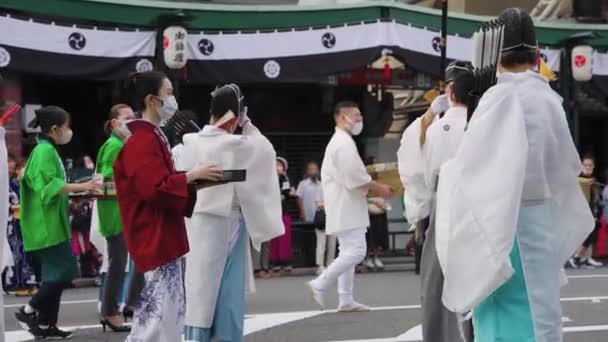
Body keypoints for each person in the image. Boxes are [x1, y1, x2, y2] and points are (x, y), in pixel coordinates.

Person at [434, 8, 594, 342]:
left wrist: (447, 171)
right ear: (536, 54)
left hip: (504, 222)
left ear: (494, 56)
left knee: (502, 310)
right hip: (543, 220)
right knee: (542, 312)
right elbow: (566, 164)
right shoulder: (549, 98)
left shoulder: (498, 97)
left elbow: (470, 168)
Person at [114, 71, 222, 342]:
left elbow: (158, 185)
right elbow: (154, 189)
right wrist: (190, 176)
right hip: (154, 233)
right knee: (159, 315)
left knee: (160, 313)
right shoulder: (143, 140)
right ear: (152, 100)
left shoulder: (147, 136)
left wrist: (193, 182)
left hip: (158, 231)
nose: (173, 98)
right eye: (169, 92)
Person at [179, 84, 284, 342]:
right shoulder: (240, 144)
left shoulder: (188, 143)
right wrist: (248, 127)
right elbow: (264, 149)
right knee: (227, 293)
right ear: (235, 117)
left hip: (196, 221)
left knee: (199, 291)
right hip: (227, 222)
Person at [397, 60, 474, 342]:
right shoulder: (483, 124)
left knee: (436, 282)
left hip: (444, 205)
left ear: (450, 91)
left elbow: (418, 171)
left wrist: (420, 208)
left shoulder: (432, 130)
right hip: (477, 206)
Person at [16, 106, 101, 339]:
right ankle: (28, 310)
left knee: (55, 277)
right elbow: (49, 187)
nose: (69, 130)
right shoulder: (44, 151)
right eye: (67, 126)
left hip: (49, 223)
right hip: (46, 226)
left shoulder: (46, 149)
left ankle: (45, 326)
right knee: (63, 274)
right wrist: (84, 186)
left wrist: (79, 192)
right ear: (55, 128)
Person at [307, 101, 392, 312]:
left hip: (345, 204)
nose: (359, 120)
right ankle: (321, 283)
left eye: (360, 115)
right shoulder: (342, 144)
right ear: (341, 117)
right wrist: (379, 187)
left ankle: (345, 299)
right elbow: (355, 177)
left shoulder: (342, 142)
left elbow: (353, 177)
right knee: (356, 251)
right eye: (355, 116)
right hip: (346, 206)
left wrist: (372, 189)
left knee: (347, 251)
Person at [96, 103, 144, 332]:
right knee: (118, 264)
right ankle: (111, 311)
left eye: (133, 117)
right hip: (117, 213)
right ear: (115, 123)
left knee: (127, 262)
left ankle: (126, 307)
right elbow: (106, 177)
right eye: (127, 118)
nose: (131, 121)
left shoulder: (119, 143)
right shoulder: (114, 145)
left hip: (121, 211)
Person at [297, 161, 334, 275]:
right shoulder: (305, 184)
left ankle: (330, 264)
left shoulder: (324, 184)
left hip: (330, 216)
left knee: (332, 242)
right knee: (319, 242)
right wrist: (302, 211)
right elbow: (303, 199)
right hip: (316, 216)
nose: (314, 171)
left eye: (315, 169)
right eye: (311, 169)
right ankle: (320, 265)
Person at [568, 155, 603, 268]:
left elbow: (596, 198)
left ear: (593, 167)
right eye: (585, 165)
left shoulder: (594, 180)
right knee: (586, 235)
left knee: (593, 235)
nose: (588, 167)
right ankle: (576, 257)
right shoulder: (580, 178)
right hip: (582, 212)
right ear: (582, 166)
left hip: (593, 211)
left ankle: (587, 258)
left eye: (590, 165)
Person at [270, 156, 295, 274]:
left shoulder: (286, 179)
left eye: (279, 165)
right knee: (274, 237)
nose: (277, 167)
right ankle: (274, 263)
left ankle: (286, 263)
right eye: (275, 165)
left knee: (284, 238)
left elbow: (288, 193)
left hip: (284, 212)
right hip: (272, 212)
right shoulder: (268, 179)